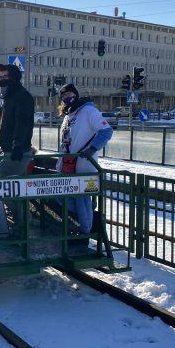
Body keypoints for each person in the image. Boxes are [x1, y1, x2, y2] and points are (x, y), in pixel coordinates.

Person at [56, 84, 113, 235]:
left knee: (81, 198)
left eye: (68, 94)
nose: (65, 98)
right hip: (67, 166)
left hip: (85, 166)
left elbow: (106, 131)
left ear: (75, 94)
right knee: (62, 197)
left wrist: (92, 148)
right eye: (62, 96)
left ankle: (85, 230)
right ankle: (88, 213)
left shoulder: (88, 111)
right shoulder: (68, 115)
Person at [0, 64, 35, 232]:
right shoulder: (8, 96)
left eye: (5, 77)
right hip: (7, 150)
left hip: (16, 152)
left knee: (5, 186)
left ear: (14, 78)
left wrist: (18, 145)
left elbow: (22, 122)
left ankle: (22, 223)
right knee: (10, 188)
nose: (1, 80)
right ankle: (20, 223)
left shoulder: (21, 96)